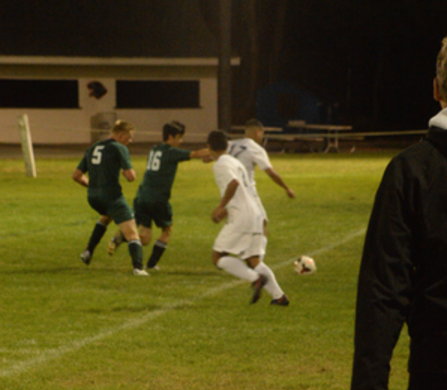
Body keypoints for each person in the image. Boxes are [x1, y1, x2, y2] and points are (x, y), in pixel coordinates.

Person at [349, 35, 447, 390]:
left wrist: (371, 382)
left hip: (439, 364)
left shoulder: (412, 170)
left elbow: (385, 284)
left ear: (436, 90)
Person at [108, 121, 209, 270]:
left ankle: (121, 237)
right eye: (180, 138)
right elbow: (196, 154)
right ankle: (151, 264)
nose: (181, 141)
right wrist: (218, 149)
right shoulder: (171, 152)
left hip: (142, 196)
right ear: (171, 137)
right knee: (167, 230)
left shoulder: (154, 149)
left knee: (145, 239)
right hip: (158, 199)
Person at [207, 130, 289, 305]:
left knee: (217, 257)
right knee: (253, 260)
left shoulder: (221, 164)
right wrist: (226, 209)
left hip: (241, 217)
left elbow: (233, 184)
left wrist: (221, 206)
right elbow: (242, 190)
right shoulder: (235, 161)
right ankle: (279, 297)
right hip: (255, 213)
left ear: (210, 147)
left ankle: (255, 279)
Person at [72, 119, 148, 276]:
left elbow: (76, 175)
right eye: (129, 137)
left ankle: (87, 251)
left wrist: (93, 186)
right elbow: (130, 177)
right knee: (132, 232)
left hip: (93, 198)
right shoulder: (119, 148)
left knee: (106, 217)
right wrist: (129, 172)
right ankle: (138, 268)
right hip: (111, 197)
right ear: (120, 135)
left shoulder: (93, 147)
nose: (130, 141)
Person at [228, 119, 295, 254]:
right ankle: (256, 257)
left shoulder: (231, 144)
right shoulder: (256, 149)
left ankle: (240, 251)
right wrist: (286, 188)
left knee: (241, 224)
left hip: (229, 190)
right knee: (261, 221)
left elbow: (212, 155)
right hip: (246, 190)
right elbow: (270, 172)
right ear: (258, 132)